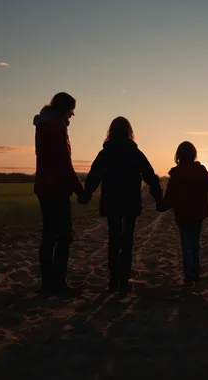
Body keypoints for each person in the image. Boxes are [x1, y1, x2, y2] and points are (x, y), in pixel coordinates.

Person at [80, 117, 162, 294]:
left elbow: (94, 175)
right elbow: (150, 176)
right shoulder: (135, 153)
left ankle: (113, 281)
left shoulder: (106, 153)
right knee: (127, 241)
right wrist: (159, 198)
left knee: (114, 240)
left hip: (112, 202)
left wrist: (86, 194)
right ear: (129, 132)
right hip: (130, 202)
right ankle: (123, 281)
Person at [33, 92, 84, 296]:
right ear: (64, 109)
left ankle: (48, 283)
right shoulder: (55, 127)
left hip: (45, 187)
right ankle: (57, 283)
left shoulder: (44, 125)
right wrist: (79, 189)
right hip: (56, 189)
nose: (72, 115)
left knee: (49, 235)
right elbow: (63, 163)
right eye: (71, 111)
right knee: (63, 236)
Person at [157, 142, 208, 287]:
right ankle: (194, 272)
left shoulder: (176, 174)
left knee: (186, 243)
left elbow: (169, 198)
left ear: (178, 156)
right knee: (194, 242)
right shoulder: (200, 171)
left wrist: (161, 204)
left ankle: (189, 274)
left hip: (183, 215)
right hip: (198, 214)